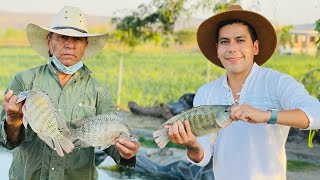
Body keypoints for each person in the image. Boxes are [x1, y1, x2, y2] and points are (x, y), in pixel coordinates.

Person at [165, 5, 320, 180]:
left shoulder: (277, 83)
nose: (232, 48)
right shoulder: (206, 92)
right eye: (224, 41)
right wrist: (191, 145)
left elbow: (317, 114)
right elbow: (203, 154)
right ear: (217, 49)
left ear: (255, 47)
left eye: (240, 40)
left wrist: (267, 115)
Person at [0, 6, 140, 180]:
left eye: (78, 39)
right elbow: (7, 141)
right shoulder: (24, 80)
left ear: (85, 45)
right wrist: (13, 120)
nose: (70, 44)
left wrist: (126, 152)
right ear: (49, 41)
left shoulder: (99, 91)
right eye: (62, 37)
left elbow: (111, 141)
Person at [128, 93, 195, 120]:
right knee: (160, 109)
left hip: (180, 116)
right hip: (181, 108)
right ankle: (140, 109)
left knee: (161, 110)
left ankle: (140, 109)